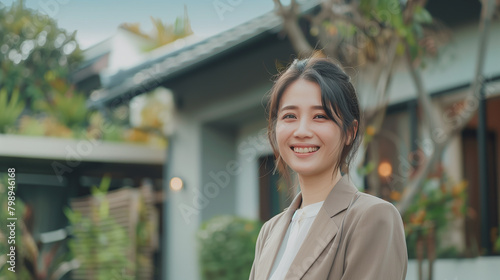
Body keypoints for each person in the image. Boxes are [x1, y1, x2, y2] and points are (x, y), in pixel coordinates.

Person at [249, 57, 407, 280]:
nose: (302, 131)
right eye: (290, 116)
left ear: (350, 132)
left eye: (320, 116)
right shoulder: (270, 232)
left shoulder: (372, 217)